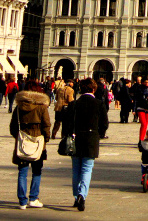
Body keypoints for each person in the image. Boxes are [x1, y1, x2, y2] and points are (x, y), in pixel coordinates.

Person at [63, 81, 107, 212]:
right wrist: (99, 134)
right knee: (87, 170)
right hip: (91, 138)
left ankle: (76, 197)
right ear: (94, 89)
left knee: (76, 170)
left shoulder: (74, 104)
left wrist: (69, 134)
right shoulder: (99, 104)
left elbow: (67, 123)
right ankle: (82, 194)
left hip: (75, 139)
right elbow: (104, 123)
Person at [10, 82, 51, 210]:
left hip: (23, 140)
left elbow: (13, 127)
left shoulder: (19, 107)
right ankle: (33, 198)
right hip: (38, 140)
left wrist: (18, 136)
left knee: (22, 172)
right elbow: (46, 125)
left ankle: (22, 201)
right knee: (37, 171)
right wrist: (46, 138)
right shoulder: (42, 107)